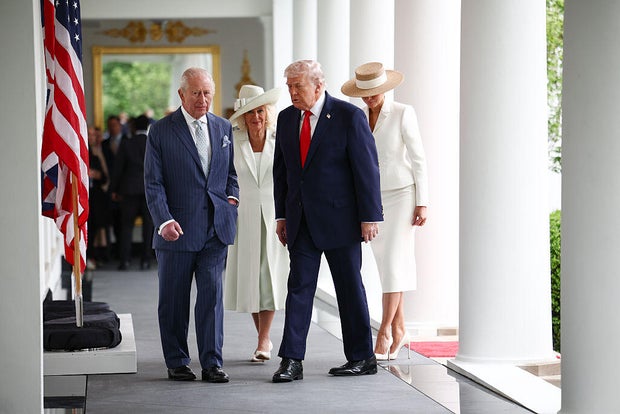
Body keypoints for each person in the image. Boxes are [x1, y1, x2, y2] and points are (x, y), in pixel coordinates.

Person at [271, 60, 383, 383]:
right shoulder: (286, 118)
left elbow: (367, 169)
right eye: (289, 86)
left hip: (342, 220)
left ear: (318, 85)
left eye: (298, 86)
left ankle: (363, 356)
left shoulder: (348, 117)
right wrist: (281, 214)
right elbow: (283, 174)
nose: (292, 92)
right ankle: (291, 360)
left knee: (349, 288)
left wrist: (369, 215)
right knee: (299, 288)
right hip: (301, 220)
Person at [144, 67, 239, 383]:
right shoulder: (160, 131)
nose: (203, 99)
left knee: (212, 299)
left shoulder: (224, 127)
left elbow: (230, 176)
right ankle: (177, 361)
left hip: (215, 229)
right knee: (174, 300)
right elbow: (153, 183)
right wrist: (164, 220)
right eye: (196, 92)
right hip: (176, 232)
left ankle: (212, 363)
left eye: (208, 92)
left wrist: (232, 201)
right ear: (182, 94)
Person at [341, 62, 429, 361]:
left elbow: (419, 159)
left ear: (385, 89)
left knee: (393, 263)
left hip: (403, 195)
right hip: (370, 201)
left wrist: (423, 201)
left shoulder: (404, 112)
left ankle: (384, 331)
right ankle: (401, 327)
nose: (369, 98)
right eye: (364, 94)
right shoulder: (357, 116)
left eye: (374, 92)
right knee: (388, 266)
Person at [224, 85, 289, 363]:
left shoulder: (281, 137)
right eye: (250, 112)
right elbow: (224, 175)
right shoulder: (232, 139)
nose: (256, 117)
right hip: (244, 214)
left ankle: (264, 339)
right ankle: (262, 337)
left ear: (267, 112)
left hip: (277, 213)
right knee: (251, 276)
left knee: (270, 275)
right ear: (242, 116)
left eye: (260, 111)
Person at [109, 115, 154, 270]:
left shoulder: (127, 143)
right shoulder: (152, 143)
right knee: (149, 227)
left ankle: (125, 260)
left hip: (128, 190)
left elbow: (118, 169)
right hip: (149, 190)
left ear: (134, 127)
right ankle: (146, 260)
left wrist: (113, 189)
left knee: (126, 226)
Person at [86, 125, 109, 270]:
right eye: (90, 135)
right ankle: (88, 257)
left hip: (95, 196)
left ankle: (92, 257)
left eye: (94, 135)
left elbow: (104, 176)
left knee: (95, 227)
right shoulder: (82, 152)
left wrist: (97, 174)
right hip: (83, 196)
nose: (92, 138)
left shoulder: (96, 154)